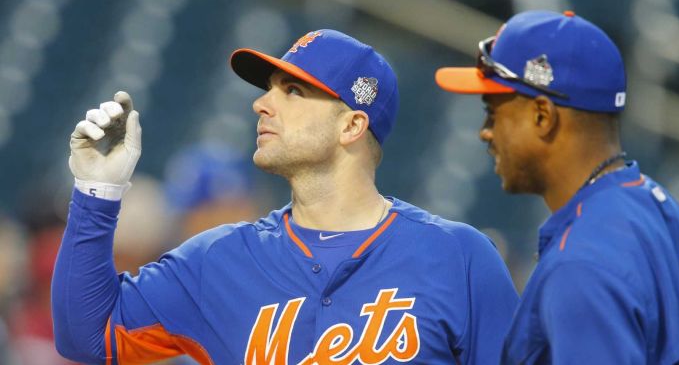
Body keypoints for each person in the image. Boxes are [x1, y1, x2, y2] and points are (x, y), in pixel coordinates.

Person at [51, 29, 519, 364]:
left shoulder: (459, 257)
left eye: (293, 90)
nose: (262, 103)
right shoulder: (219, 260)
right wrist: (98, 191)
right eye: (269, 88)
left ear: (352, 125)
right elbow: (88, 336)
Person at [435, 10, 679, 364]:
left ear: (543, 116)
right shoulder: (661, 207)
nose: (485, 131)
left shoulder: (580, 264)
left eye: (493, 112)